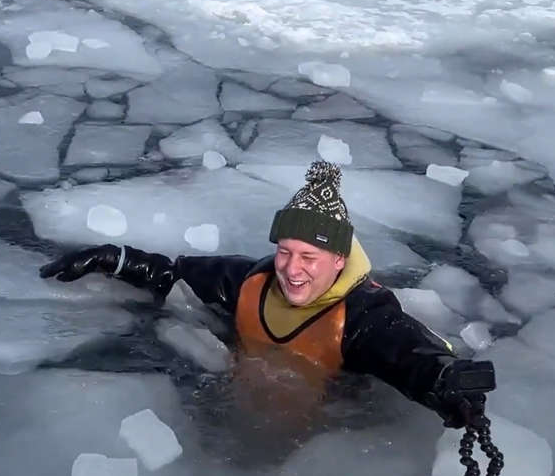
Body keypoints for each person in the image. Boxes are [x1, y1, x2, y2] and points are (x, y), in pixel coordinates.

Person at [40, 161, 496, 429]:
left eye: (309, 257)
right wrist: (113, 258)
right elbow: (172, 275)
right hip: (236, 413)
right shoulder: (252, 281)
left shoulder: (361, 315)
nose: (292, 269)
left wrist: (444, 383)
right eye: (285, 252)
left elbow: (406, 352)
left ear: (339, 260)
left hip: (324, 434)